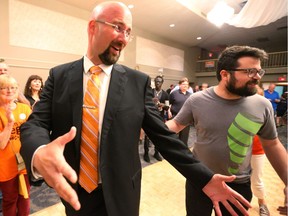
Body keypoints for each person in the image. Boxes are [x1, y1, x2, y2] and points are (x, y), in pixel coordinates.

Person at [20, 2, 251, 216]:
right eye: (118, 28)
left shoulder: (137, 82)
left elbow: (163, 137)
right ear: (93, 27)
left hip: (123, 192)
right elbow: (36, 123)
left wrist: (204, 178)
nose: (124, 39)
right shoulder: (59, 76)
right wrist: (39, 150)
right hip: (75, 192)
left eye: (128, 32)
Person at [166, 45, 287, 216]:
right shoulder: (197, 100)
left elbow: (273, 144)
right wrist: (147, 125)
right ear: (224, 74)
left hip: (238, 183)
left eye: (259, 72)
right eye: (250, 71)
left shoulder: (262, 105)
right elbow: (176, 124)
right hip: (200, 179)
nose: (257, 78)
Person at [0, 75, 31, 215]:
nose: (9, 90)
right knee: (10, 198)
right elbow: (1, 144)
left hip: (23, 160)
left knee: (25, 196)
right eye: (4, 88)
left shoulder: (25, 108)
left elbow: (32, 134)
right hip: (5, 164)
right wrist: (10, 123)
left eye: (13, 87)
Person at [251, 85, 270, 216]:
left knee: (257, 179)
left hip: (257, 151)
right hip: (236, 150)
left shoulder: (265, 111)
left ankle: (262, 204)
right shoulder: (237, 109)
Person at [143, 75, 169, 162]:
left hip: (159, 117)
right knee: (147, 136)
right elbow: (144, 102)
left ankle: (156, 153)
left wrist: (163, 105)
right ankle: (146, 153)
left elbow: (167, 107)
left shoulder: (165, 94)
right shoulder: (150, 91)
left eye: (159, 82)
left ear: (162, 83)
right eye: (156, 81)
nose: (158, 83)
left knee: (158, 136)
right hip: (149, 116)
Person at [168, 77, 191, 146]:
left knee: (184, 138)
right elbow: (169, 103)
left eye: (187, 84)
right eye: (183, 84)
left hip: (186, 118)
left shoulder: (190, 95)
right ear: (179, 85)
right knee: (173, 136)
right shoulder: (174, 93)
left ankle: (182, 151)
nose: (185, 86)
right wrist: (169, 111)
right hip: (175, 117)